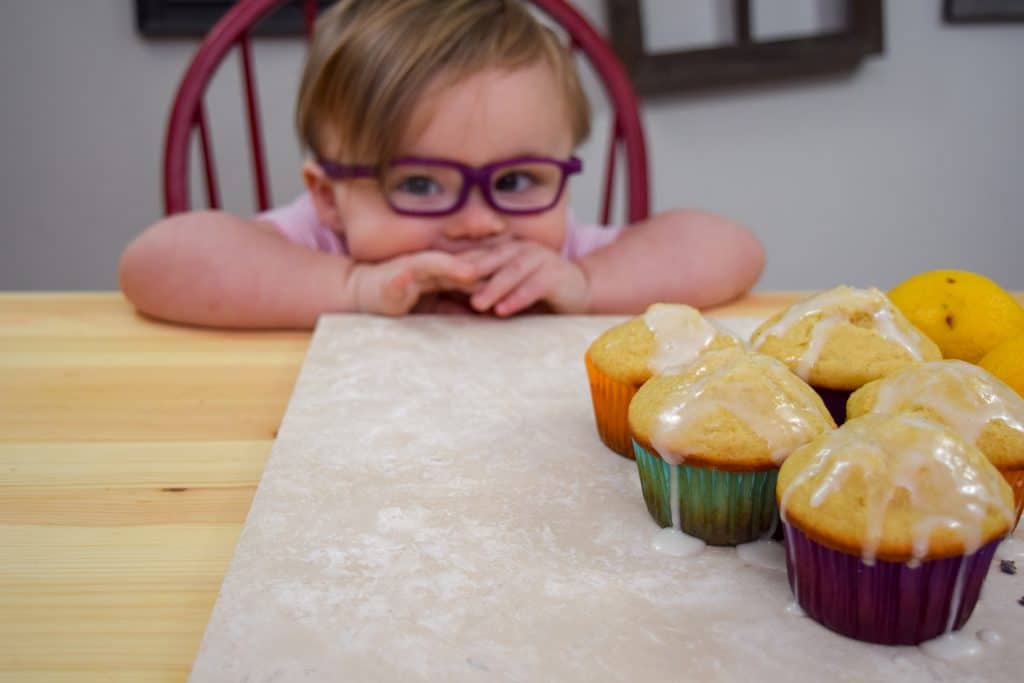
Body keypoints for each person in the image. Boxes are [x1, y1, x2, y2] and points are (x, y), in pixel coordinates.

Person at [119, 0, 764, 328]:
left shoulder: (552, 256)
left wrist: (591, 286)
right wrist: (350, 290)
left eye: (515, 180)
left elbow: (733, 249)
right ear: (327, 197)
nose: (481, 223)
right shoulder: (318, 243)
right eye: (420, 184)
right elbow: (155, 263)